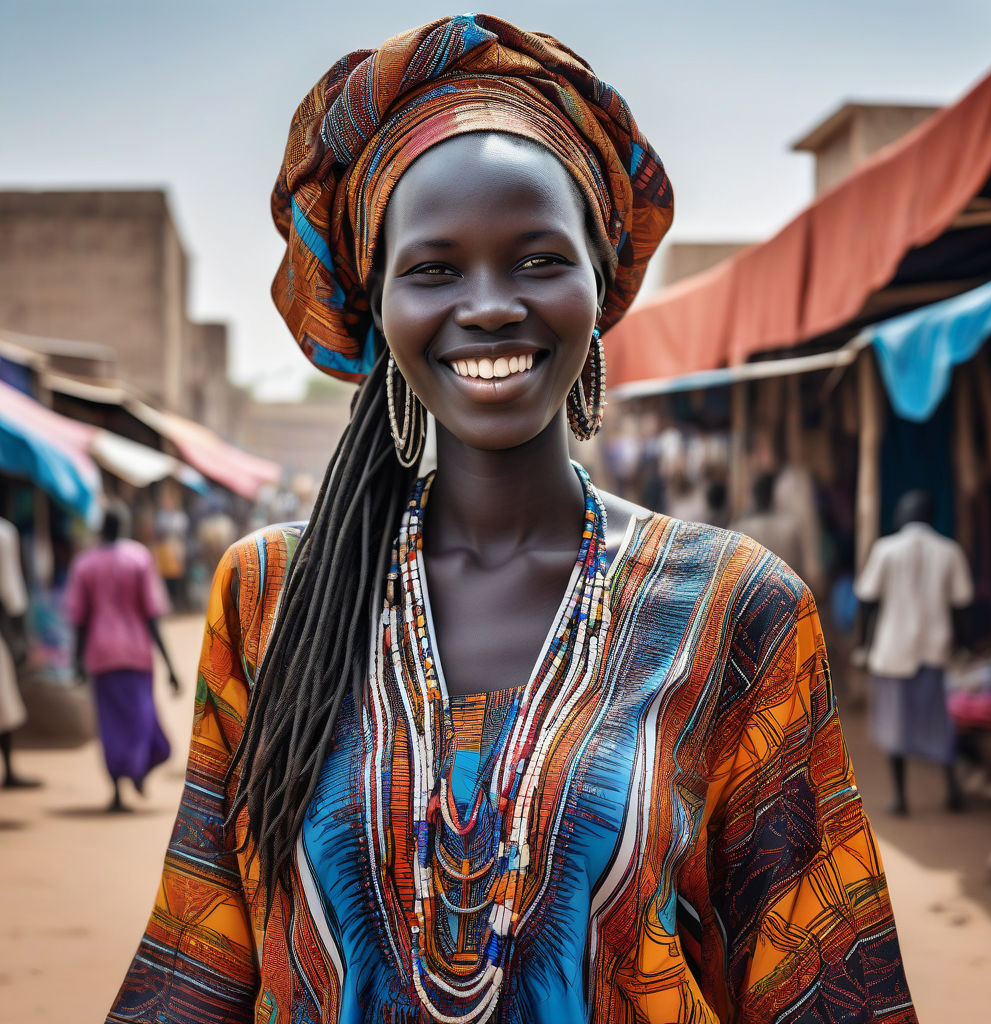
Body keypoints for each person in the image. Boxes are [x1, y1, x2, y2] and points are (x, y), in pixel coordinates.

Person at [108, 15, 916, 1023]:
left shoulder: (734, 611)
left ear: (598, 280)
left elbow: (822, 977)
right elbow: (203, 951)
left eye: (536, 259)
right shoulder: (272, 597)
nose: (487, 305)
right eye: (434, 269)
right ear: (377, 304)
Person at [854, 490, 974, 815]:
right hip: (935, 651)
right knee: (940, 723)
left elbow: (867, 600)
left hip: (892, 652)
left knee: (895, 725)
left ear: (904, 515)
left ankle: (900, 797)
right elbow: (962, 605)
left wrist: (863, 645)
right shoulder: (950, 551)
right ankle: (952, 790)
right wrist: (966, 646)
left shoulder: (885, 549)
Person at [68, 508, 181, 812]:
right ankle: (138, 770)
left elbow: (79, 619)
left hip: (101, 653)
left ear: (100, 528)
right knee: (142, 717)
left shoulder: (85, 564)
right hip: (136, 652)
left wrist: (76, 660)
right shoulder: (139, 558)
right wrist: (170, 665)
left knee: (111, 723)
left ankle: (119, 788)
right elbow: (152, 614)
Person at [0, 515, 38, 789]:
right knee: (4, 706)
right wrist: (21, 640)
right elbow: (12, 595)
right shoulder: (3, 534)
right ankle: (9, 770)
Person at [730, 471, 805, 580]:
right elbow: (799, 562)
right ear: (773, 495)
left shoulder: (740, 528)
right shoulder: (790, 525)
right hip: (788, 586)